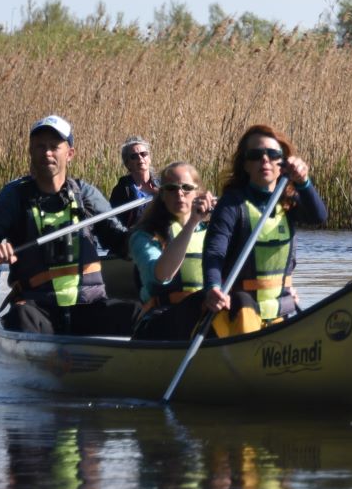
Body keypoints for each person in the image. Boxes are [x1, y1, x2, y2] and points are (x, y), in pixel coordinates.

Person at [0, 115, 140, 335]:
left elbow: (122, 243)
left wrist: (151, 229)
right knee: (19, 316)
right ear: (31, 151)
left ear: (70, 153)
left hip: (89, 308)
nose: (47, 153)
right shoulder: (14, 197)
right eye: (40, 146)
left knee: (136, 314)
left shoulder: (86, 195)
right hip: (38, 310)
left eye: (54, 146)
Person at [200, 124, 327, 337]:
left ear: (282, 164)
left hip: (280, 309)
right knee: (243, 302)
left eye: (273, 154)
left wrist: (304, 182)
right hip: (238, 312)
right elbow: (215, 252)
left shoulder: (290, 203)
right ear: (246, 165)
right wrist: (213, 286)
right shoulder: (232, 204)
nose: (265, 160)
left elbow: (318, 217)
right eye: (256, 155)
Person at [129, 161, 219, 341]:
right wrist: (192, 222)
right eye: (171, 188)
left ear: (198, 193)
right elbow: (161, 276)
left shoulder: (215, 233)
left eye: (186, 188)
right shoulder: (144, 236)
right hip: (161, 319)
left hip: (206, 318)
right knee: (200, 300)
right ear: (162, 195)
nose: (179, 193)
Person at [108, 136, 158, 227]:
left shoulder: (162, 185)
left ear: (149, 159)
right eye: (134, 156)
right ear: (127, 164)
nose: (140, 158)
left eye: (143, 154)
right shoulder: (121, 190)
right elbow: (115, 221)